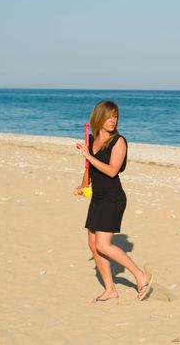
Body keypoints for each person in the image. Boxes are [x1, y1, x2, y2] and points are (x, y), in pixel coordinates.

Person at [75, 100, 152, 303]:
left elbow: (111, 170)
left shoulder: (119, 141)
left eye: (115, 116)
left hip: (112, 197)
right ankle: (110, 289)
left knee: (103, 245)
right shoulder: (91, 140)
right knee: (93, 244)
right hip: (98, 198)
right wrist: (83, 186)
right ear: (99, 117)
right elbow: (88, 169)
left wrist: (88, 156)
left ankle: (140, 276)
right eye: (109, 116)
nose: (113, 120)